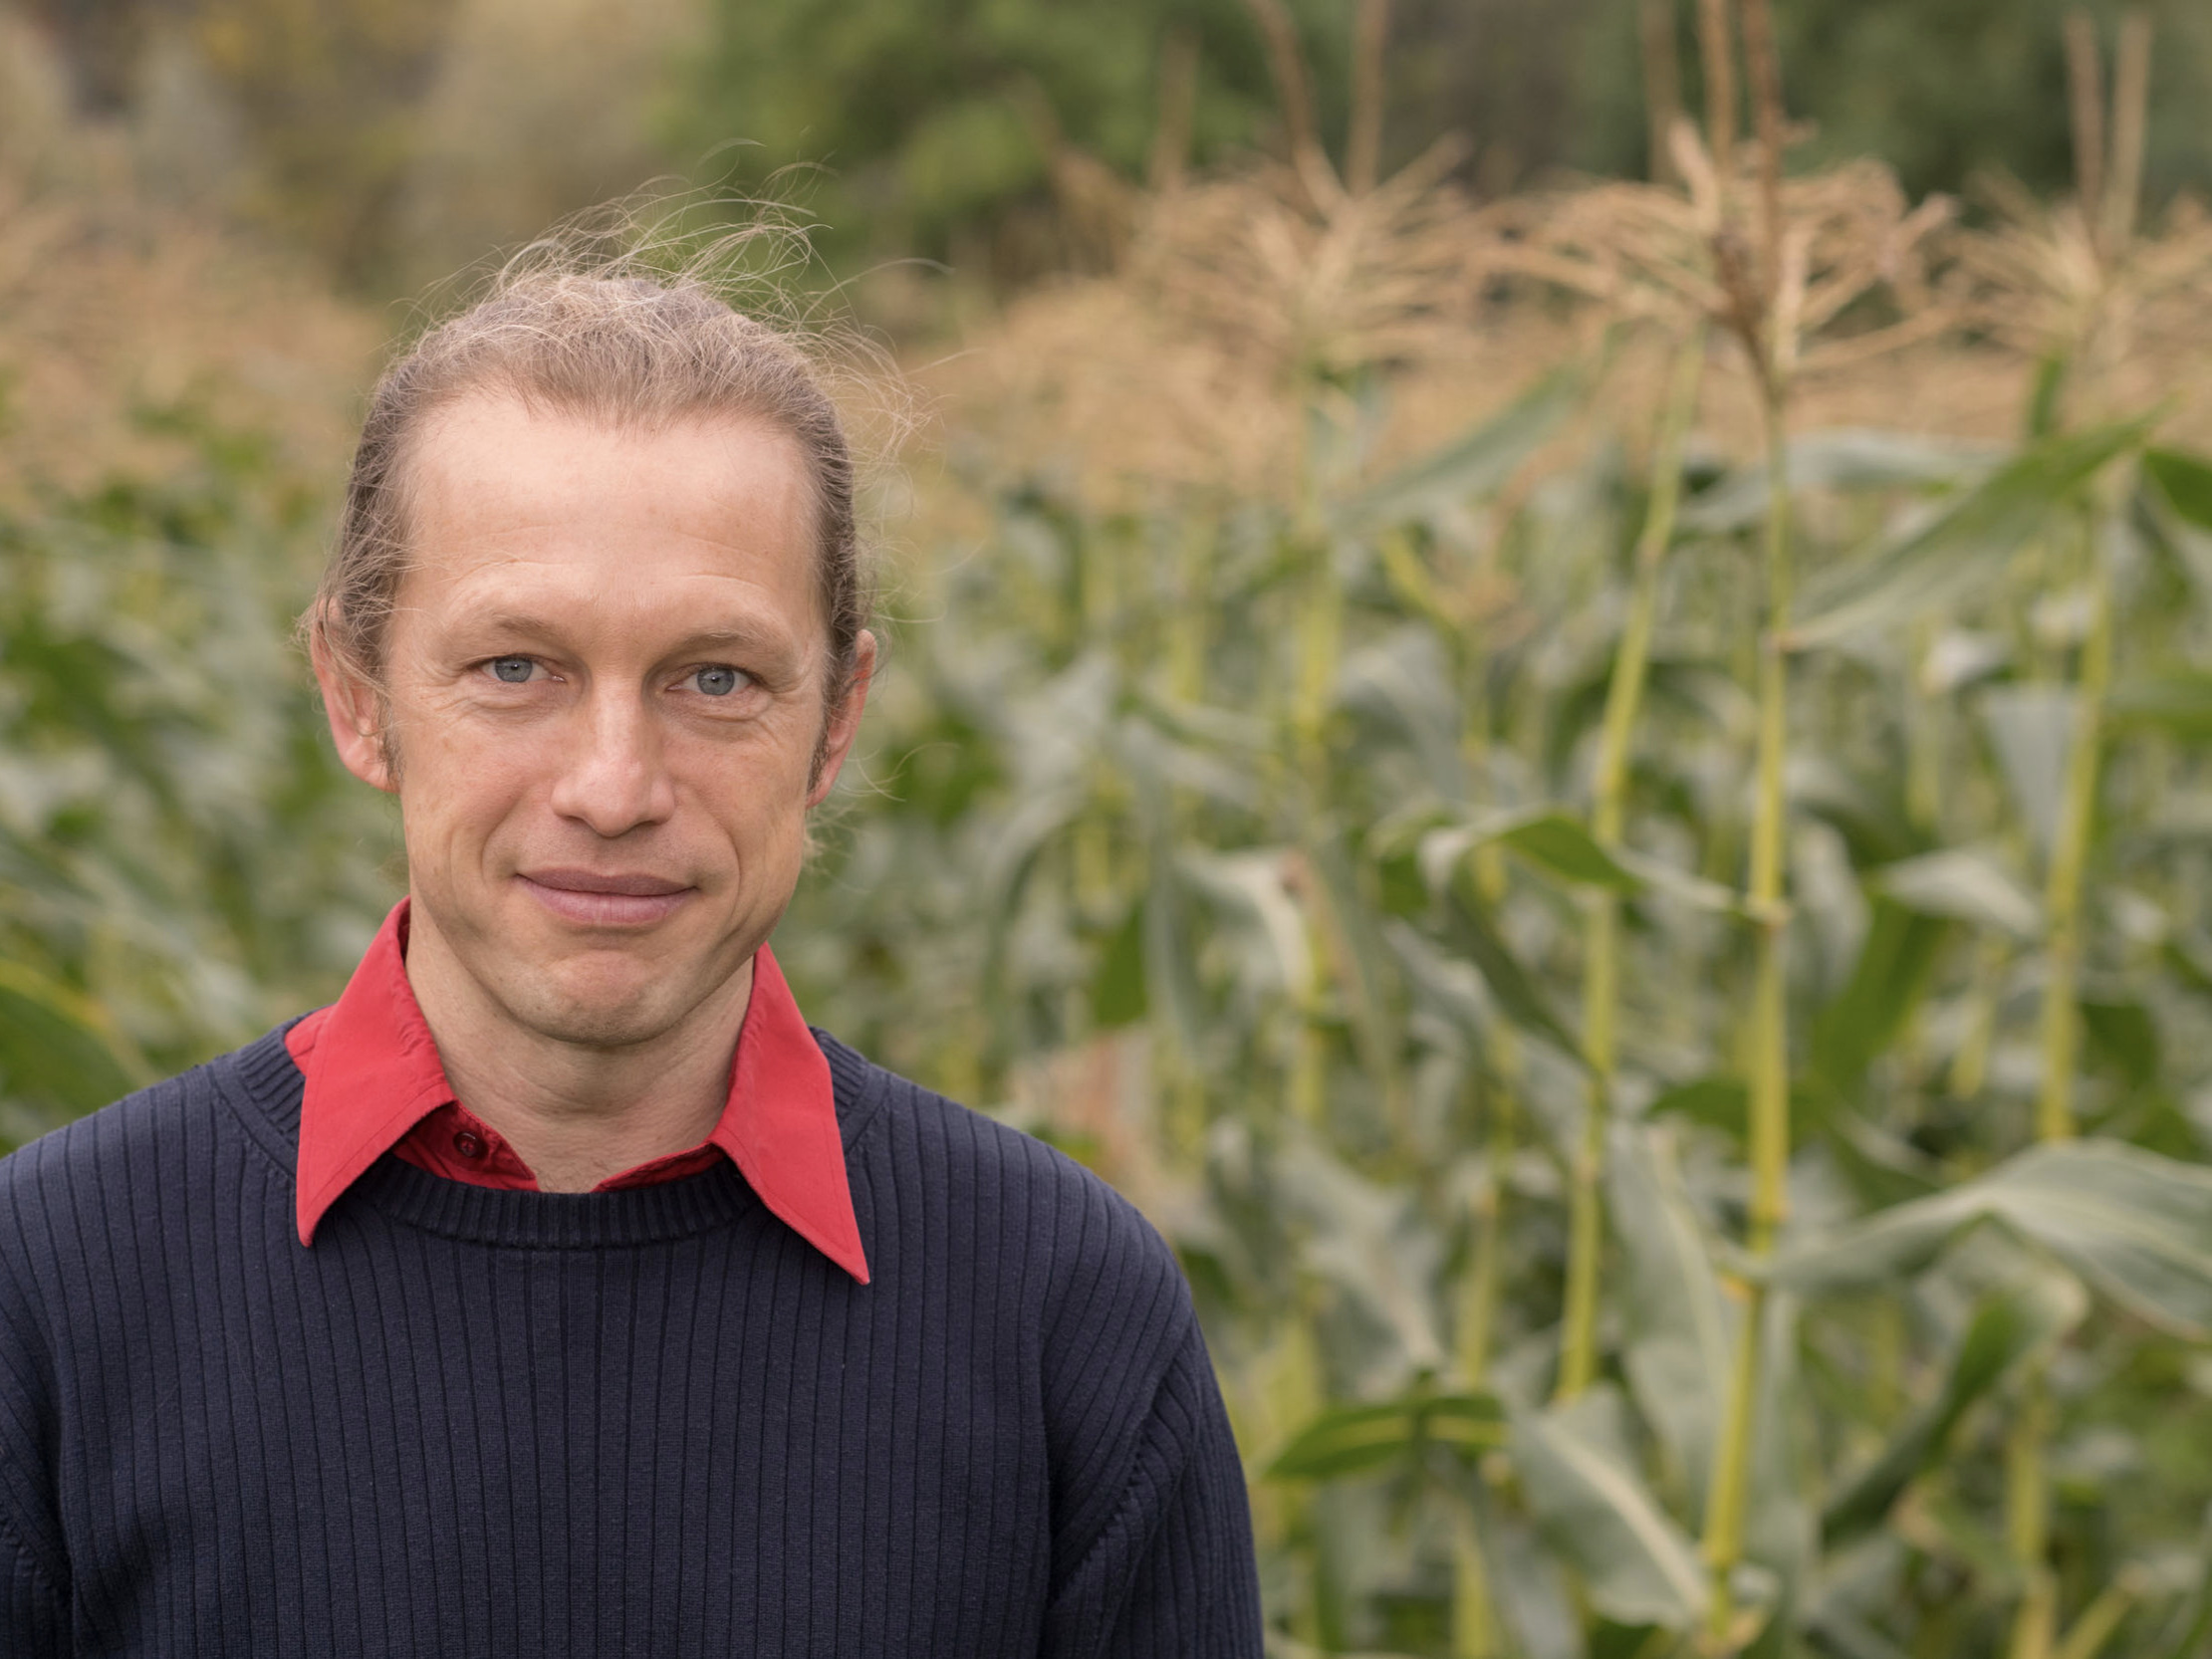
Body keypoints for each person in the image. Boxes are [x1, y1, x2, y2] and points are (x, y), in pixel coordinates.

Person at [0, 262, 1264, 1656]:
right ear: (357, 699)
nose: (613, 786)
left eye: (715, 678)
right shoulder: (51, 1293)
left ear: (836, 720)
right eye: (515, 668)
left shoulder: (1062, 1311)